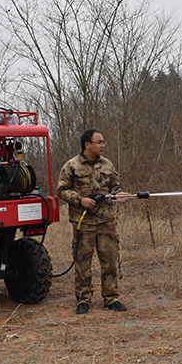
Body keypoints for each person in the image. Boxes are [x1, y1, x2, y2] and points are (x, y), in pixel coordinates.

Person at [56, 129, 129, 314]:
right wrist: (80, 200)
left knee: (110, 260)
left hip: (106, 222)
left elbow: (115, 186)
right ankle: (83, 300)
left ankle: (111, 298)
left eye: (103, 142)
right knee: (82, 262)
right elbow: (62, 190)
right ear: (87, 145)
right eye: (99, 142)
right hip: (84, 223)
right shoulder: (71, 166)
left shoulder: (107, 165)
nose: (103, 145)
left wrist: (118, 194)